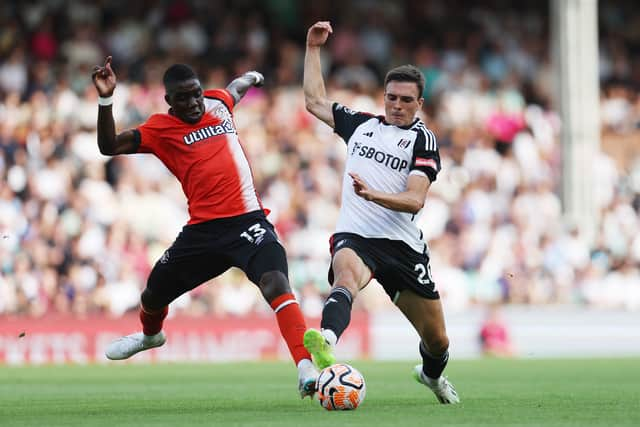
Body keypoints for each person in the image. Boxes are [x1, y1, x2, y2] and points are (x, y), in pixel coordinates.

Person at [91, 56, 318, 398]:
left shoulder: (217, 102)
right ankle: (151, 336)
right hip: (204, 231)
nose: (194, 102)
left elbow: (234, 90)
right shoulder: (159, 129)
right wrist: (106, 99)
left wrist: (252, 75)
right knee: (153, 295)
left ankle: (305, 368)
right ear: (170, 102)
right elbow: (108, 146)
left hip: (248, 222)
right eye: (183, 97)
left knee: (275, 283)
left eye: (196, 93)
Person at [301, 21, 460, 404]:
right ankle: (328, 340)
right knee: (346, 277)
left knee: (437, 341)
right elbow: (314, 102)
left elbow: (415, 199)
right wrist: (312, 48)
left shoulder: (423, 140)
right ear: (383, 97)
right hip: (356, 237)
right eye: (392, 98)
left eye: (407, 100)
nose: (398, 106)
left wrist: (373, 195)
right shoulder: (360, 126)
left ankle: (431, 376)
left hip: (402, 248)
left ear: (420, 103)